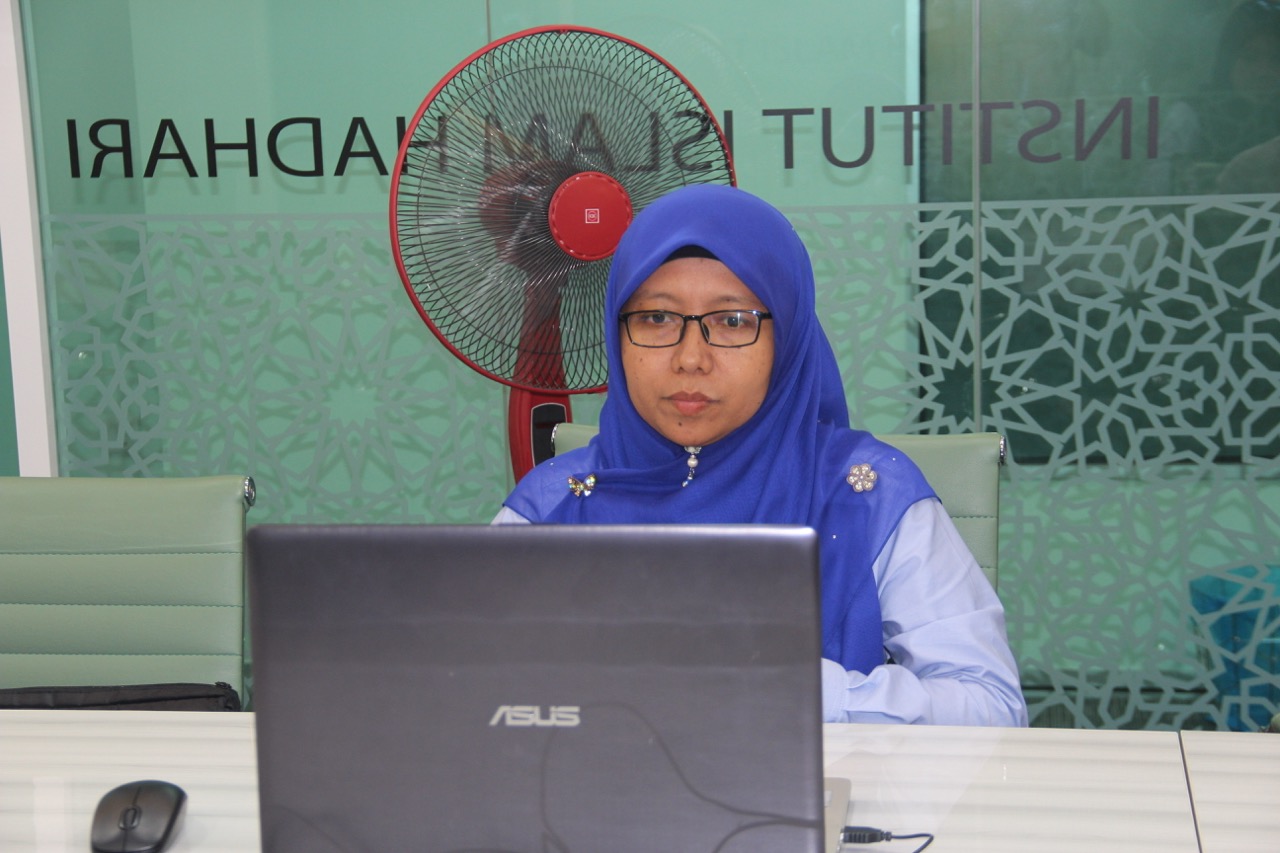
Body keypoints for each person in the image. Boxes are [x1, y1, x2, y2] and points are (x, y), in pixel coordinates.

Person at [494, 184, 1028, 726]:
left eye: (732, 321)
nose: (691, 358)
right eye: (656, 318)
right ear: (617, 332)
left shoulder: (865, 495)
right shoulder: (554, 507)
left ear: (787, 338)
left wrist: (786, 686)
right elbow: (469, 692)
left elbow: (992, 707)